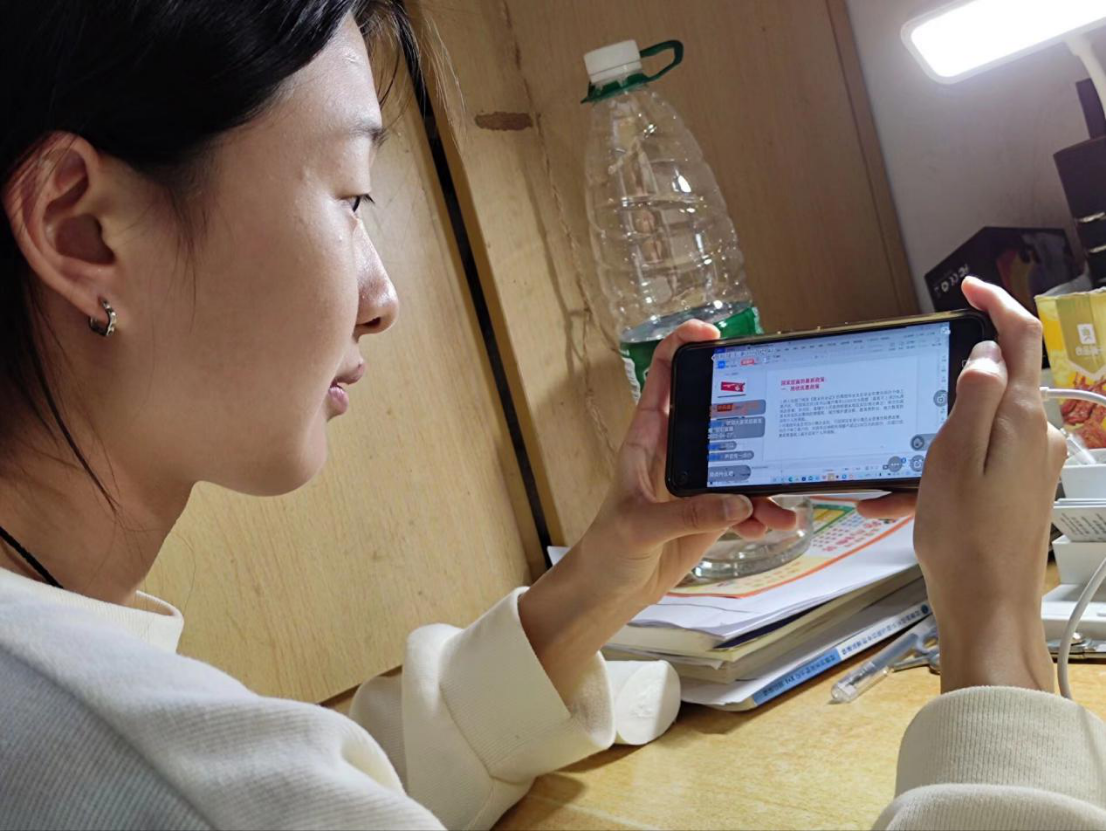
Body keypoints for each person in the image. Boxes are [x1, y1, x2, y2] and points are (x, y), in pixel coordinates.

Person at [0, 1, 1102, 828]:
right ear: (81, 229)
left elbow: (342, 780)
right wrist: (992, 623)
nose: (382, 298)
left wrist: (594, 585)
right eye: (349, 197)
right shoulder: (157, 771)